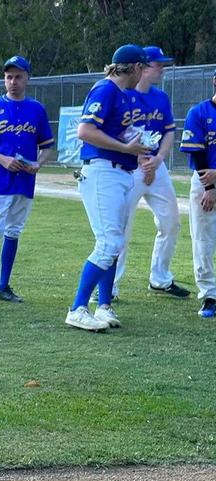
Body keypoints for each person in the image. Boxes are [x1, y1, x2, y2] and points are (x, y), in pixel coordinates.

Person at [66, 44, 151, 331]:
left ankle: (103, 306)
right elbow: (85, 131)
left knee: (115, 244)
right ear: (136, 67)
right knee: (109, 243)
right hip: (103, 172)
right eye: (144, 67)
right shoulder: (105, 89)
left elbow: (115, 135)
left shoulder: (122, 95)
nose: (146, 72)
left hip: (120, 172)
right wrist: (125, 146)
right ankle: (77, 308)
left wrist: (134, 147)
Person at [0, 55, 54, 307]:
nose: (12, 81)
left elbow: (47, 145)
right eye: (8, 77)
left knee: (14, 231)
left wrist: (39, 162)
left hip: (25, 180)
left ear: (27, 78)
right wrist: (0, 158)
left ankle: (3, 286)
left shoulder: (36, 109)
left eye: (18, 76)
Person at [111, 46, 189, 299]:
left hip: (156, 165)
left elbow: (169, 131)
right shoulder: (123, 94)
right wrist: (140, 159)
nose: (163, 70)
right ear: (142, 67)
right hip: (129, 167)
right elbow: (115, 132)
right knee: (121, 227)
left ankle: (160, 278)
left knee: (171, 222)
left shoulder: (160, 97)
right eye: (159, 65)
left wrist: (157, 159)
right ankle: (109, 287)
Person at [179, 72, 216, 318]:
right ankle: (210, 294)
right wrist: (210, 189)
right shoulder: (199, 112)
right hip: (205, 184)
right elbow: (197, 153)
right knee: (203, 240)